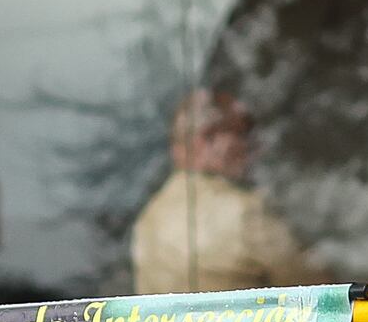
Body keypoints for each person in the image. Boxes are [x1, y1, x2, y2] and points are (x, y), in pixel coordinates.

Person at [128, 89, 317, 295]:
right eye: (243, 133)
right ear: (205, 139)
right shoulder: (246, 212)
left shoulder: (148, 219)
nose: (253, 147)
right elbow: (317, 295)